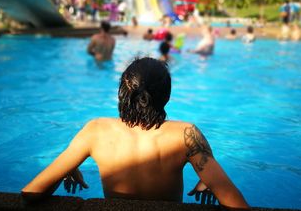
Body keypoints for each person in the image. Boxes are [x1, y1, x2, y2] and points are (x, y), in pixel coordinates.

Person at [21, 57, 249, 209]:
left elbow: (31, 192)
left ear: (122, 93)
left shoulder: (96, 130)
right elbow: (236, 204)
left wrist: (66, 169)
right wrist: (208, 179)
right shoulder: (186, 134)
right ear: (166, 96)